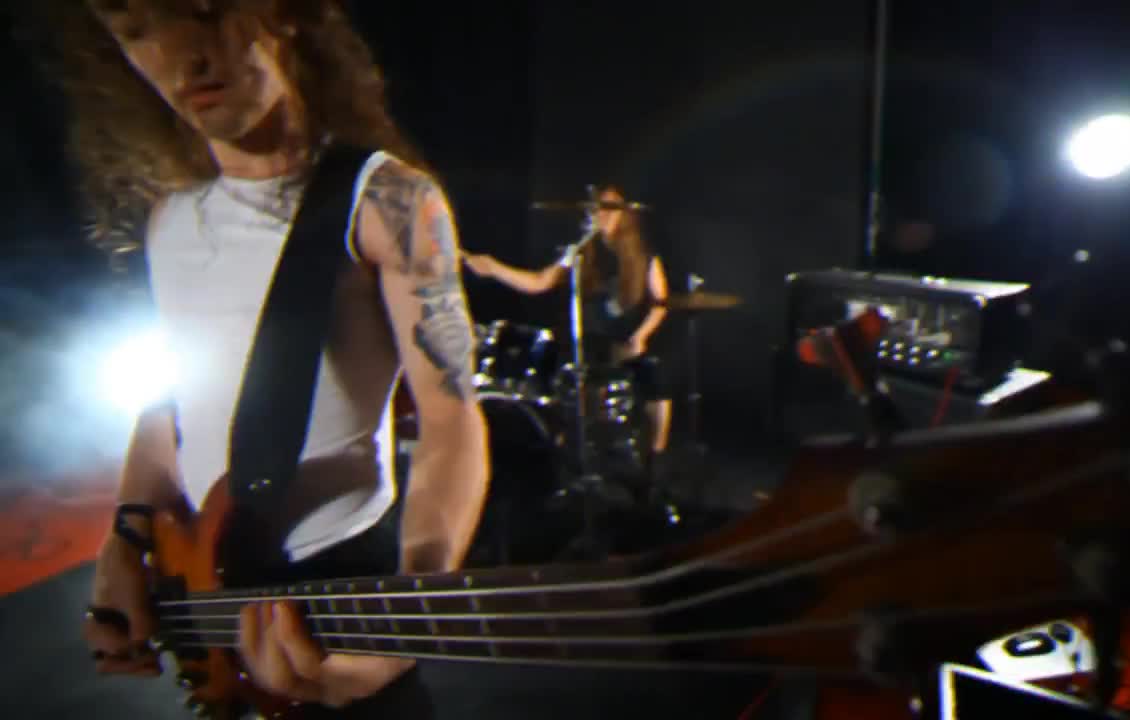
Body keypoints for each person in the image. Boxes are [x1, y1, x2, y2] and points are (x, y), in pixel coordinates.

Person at [44, 1, 489, 715]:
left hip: (338, 585)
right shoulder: (171, 217)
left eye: (206, 12)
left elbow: (451, 420)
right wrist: (125, 537)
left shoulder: (388, 199)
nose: (182, 57)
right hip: (210, 583)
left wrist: (410, 619)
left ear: (279, 14)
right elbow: (176, 405)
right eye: (139, 33)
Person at [462, 187, 676, 491]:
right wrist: (494, 268)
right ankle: (570, 461)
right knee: (568, 378)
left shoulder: (643, 255)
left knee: (656, 379)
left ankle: (655, 461)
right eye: (596, 208)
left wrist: (639, 336)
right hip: (587, 343)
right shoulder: (580, 252)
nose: (602, 214)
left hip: (626, 343)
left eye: (609, 208)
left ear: (625, 215)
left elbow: (660, 302)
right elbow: (539, 282)